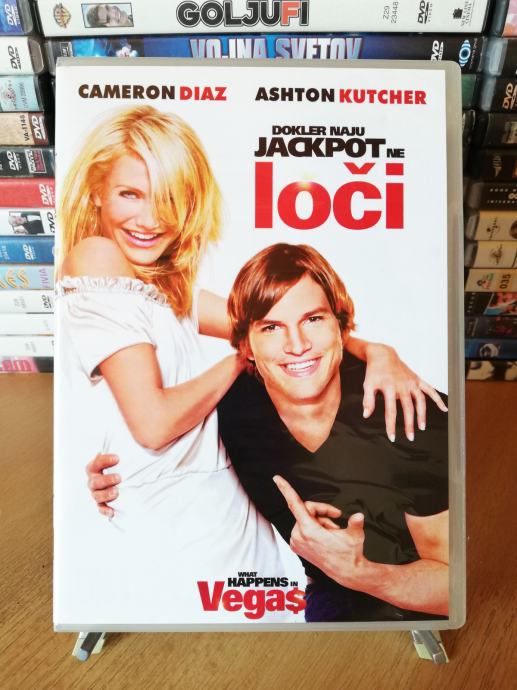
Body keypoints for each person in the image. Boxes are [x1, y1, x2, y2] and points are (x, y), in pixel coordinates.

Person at [59, 107, 438, 622]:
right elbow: (154, 423)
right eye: (131, 194)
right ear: (96, 192)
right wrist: (243, 357)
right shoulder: (96, 255)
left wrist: (377, 352)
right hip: (179, 525)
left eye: (168, 198)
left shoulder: (161, 286)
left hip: (223, 513)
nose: (149, 220)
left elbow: (275, 321)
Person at [87, 240, 449, 623]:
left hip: (420, 607)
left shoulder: (412, 412)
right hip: (328, 601)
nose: (297, 345)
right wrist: (118, 479)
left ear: (340, 326)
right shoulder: (232, 412)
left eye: (313, 319)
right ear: (246, 343)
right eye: (272, 327)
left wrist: (362, 573)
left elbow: (453, 586)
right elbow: (163, 446)